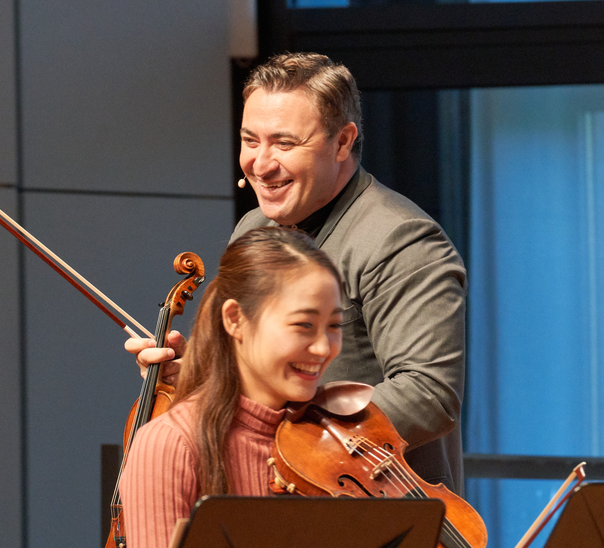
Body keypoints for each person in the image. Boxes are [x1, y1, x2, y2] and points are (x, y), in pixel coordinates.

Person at [128, 52, 467, 495]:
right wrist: (193, 372)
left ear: (343, 142)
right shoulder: (253, 228)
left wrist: (284, 433)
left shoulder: (401, 239)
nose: (261, 165)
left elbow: (429, 394)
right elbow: (246, 378)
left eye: (285, 144)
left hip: (375, 512)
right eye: (251, 140)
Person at [121, 227, 344, 548]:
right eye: (304, 325)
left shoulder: (335, 435)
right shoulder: (171, 444)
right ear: (235, 319)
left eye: (334, 326)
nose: (324, 348)